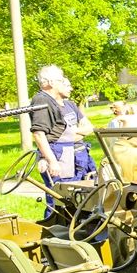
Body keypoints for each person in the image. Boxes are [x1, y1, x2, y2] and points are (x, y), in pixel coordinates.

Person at [30, 65, 97, 217]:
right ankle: (55, 234)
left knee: (78, 198)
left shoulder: (66, 104)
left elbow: (87, 128)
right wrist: (51, 160)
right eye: (61, 80)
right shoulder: (42, 100)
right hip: (59, 157)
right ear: (51, 82)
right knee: (59, 200)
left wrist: (73, 133)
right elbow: (39, 134)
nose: (65, 84)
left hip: (74, 155)